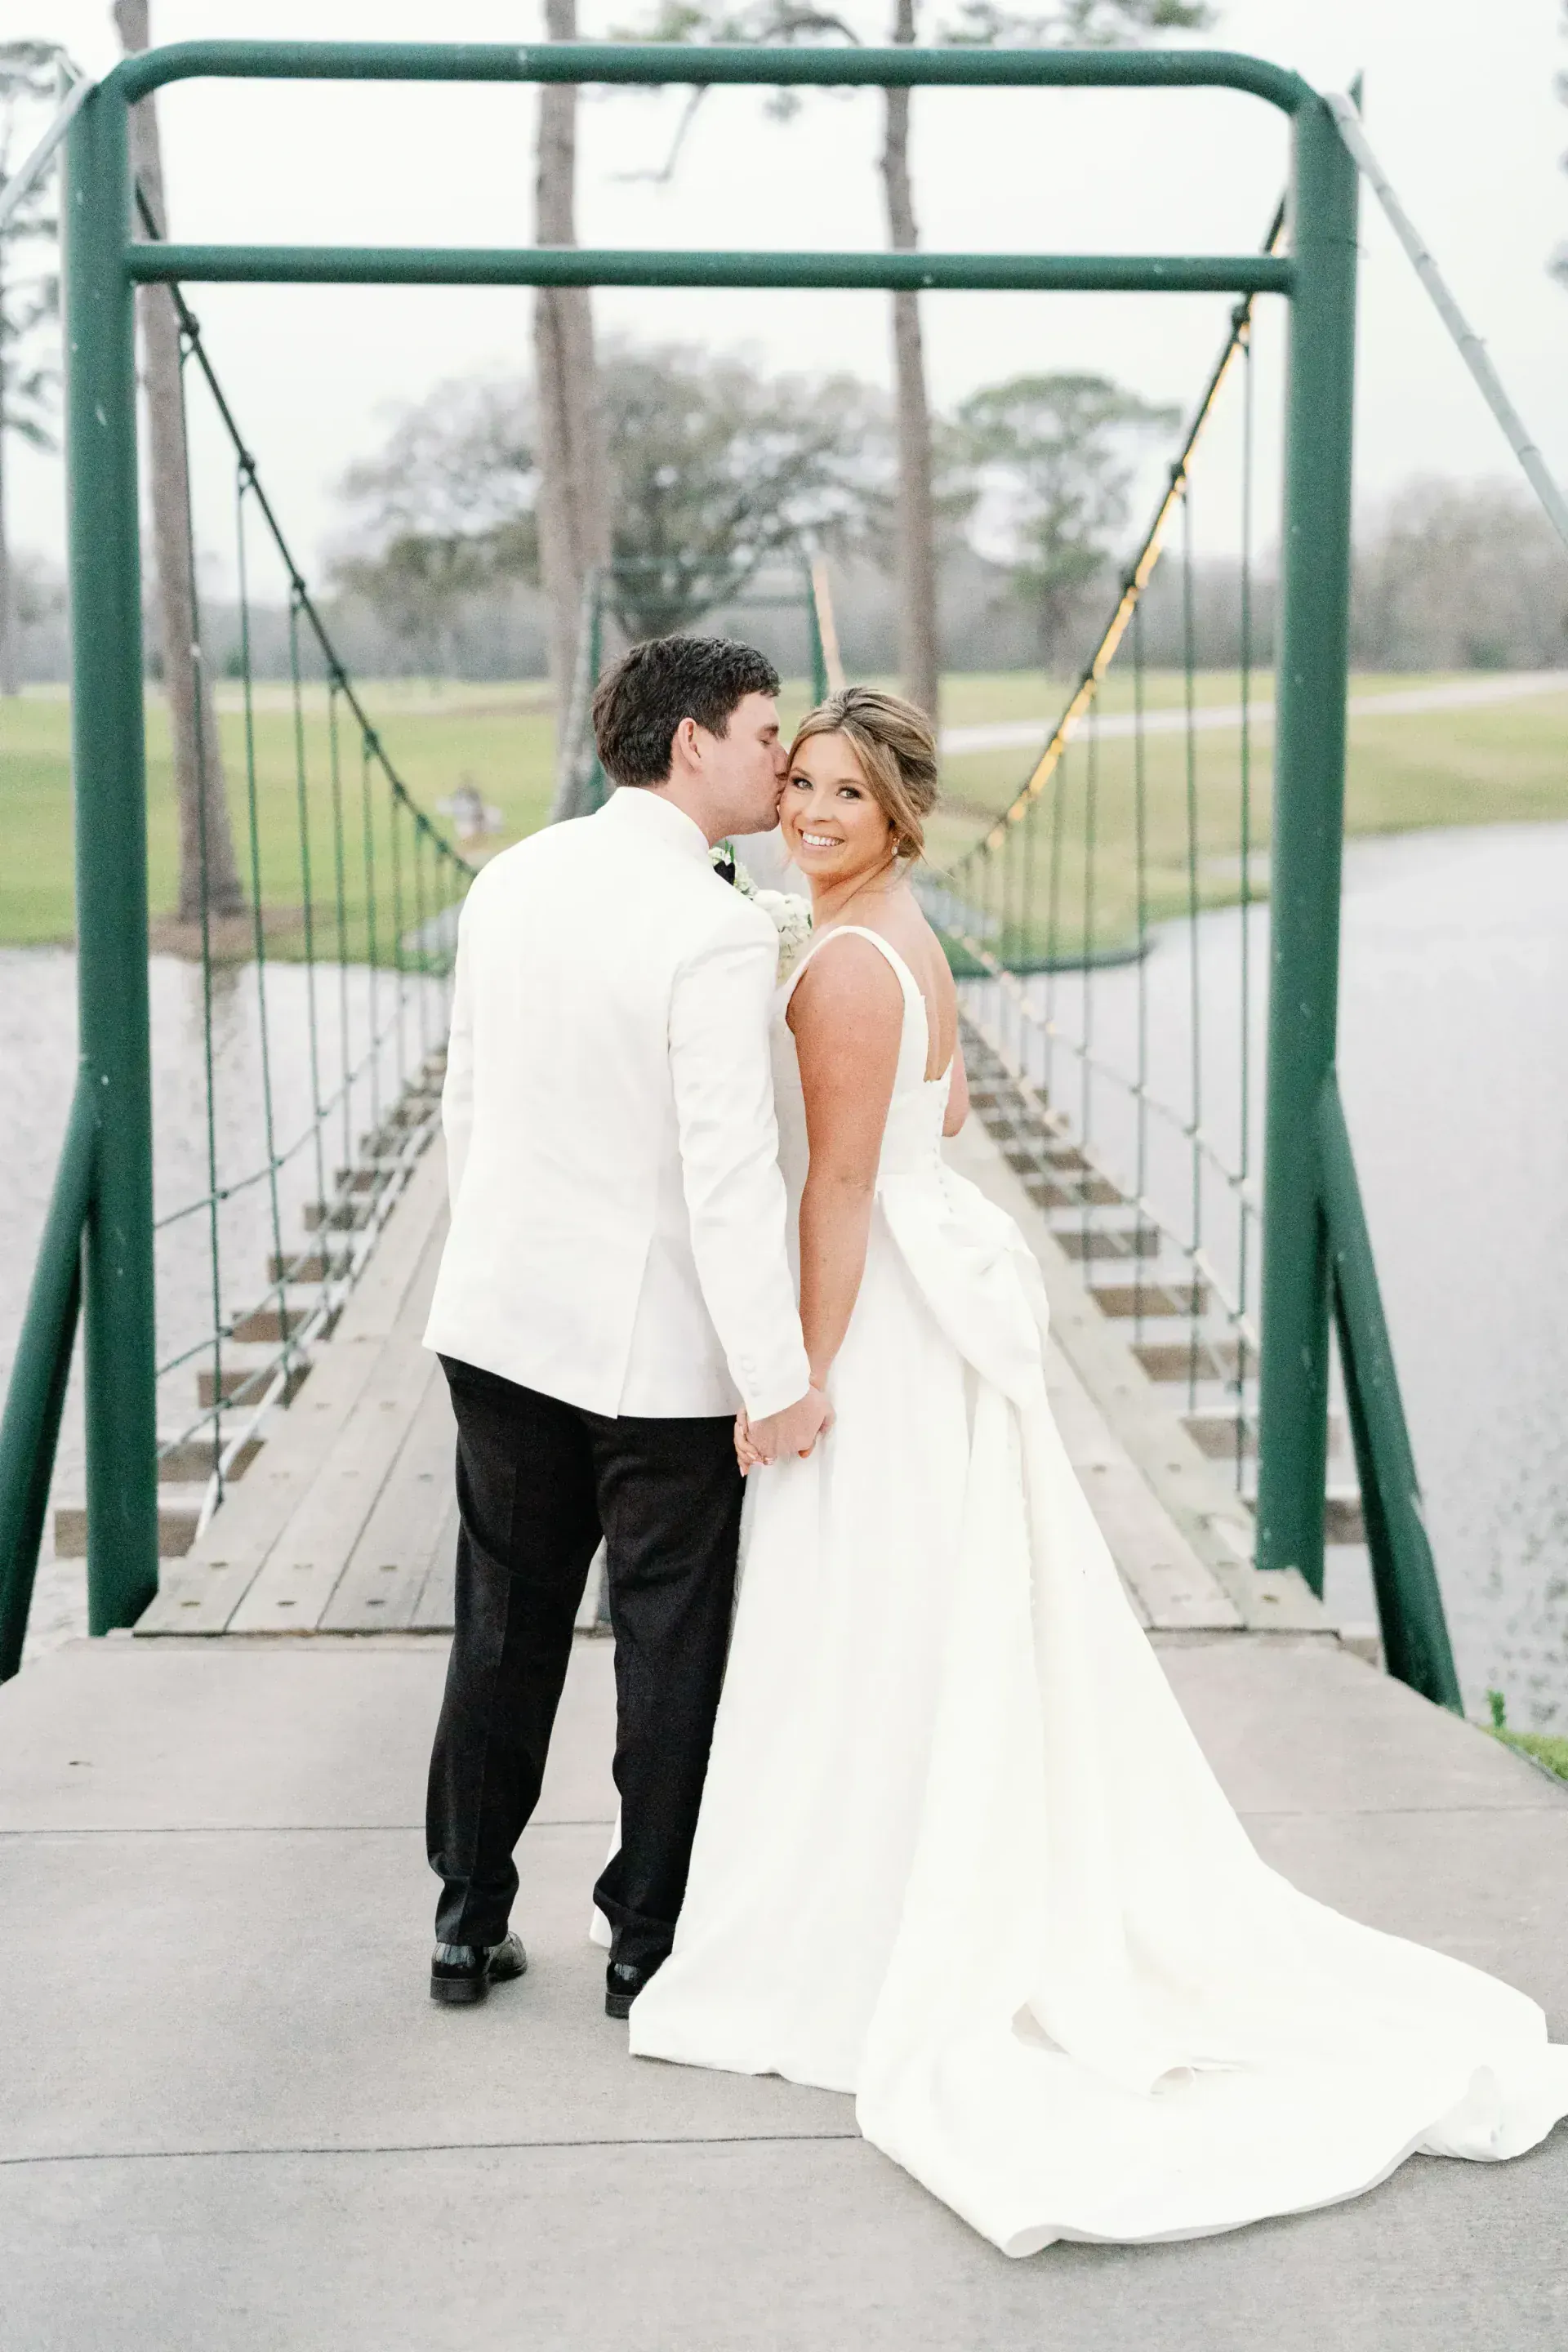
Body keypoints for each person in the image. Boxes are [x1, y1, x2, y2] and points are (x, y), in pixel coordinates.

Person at [626, 684, 1568, 2256]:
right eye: (797, 783)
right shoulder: (896, 939)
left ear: (900, 817)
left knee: (868, 1613)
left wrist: (787, 1385)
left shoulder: (847, 967)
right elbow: (950, 1116)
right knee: (922, 1617)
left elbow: (841, 1194)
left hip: (880, 1329)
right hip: (940, 1298)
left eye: (843, 797)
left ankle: (858, 1934)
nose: (805, 814)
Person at [421, 636, 829, 2017]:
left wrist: (487, 1267)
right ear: (691, 744)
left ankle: (467, 1923)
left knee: (502, 1630)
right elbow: (731, 1177)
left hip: (499, 1329)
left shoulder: (509, 878)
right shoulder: (712, 927)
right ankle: (645, 1943)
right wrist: (777, 1378)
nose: (783, 757)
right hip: (655, 1362)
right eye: (767, 732)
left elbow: (465, 1104)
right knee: (667, 1648)